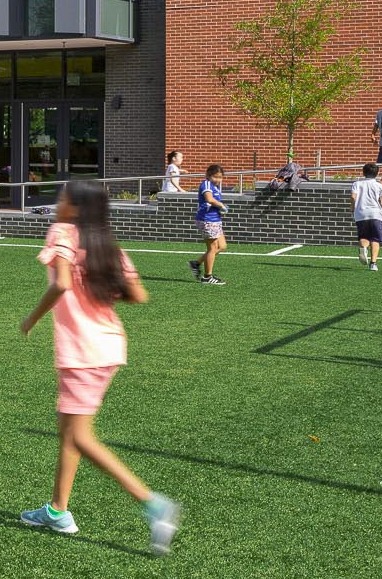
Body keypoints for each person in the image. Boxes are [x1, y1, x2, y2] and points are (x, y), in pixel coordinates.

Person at [18, 177, 179, 554]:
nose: (58, 202)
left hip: (82, 353)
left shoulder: (61, 231)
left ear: (74, 207)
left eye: (62, 197)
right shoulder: (107, 246)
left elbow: (59, 285)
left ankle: (153, 503)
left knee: (80, 437)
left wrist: (31, 319)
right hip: (108, 346)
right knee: (69, 431)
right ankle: (57, 510)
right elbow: (138, 295)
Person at [189, 164, 227, 285]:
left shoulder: (215, 187)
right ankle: (207, 277)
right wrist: (221, 205)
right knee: (212, 248)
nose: (218, 179)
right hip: (207, 220)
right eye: (215, 177)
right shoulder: (206, 184)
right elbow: (209, 199)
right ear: (208, 175)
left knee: (222, 246)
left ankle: (196, 263)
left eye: (220, 177)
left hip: (215, 220)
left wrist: (220, 209)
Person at [353, 161, 382, 272]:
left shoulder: (357, 184)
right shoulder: (380, 186)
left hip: (360, 213)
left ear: (364, 173)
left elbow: (353, 197)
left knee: (363, 236)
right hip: (375, 214)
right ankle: (373, 263)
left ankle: (363, 248)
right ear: (377, 173)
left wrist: (352, 208)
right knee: (375, 239)